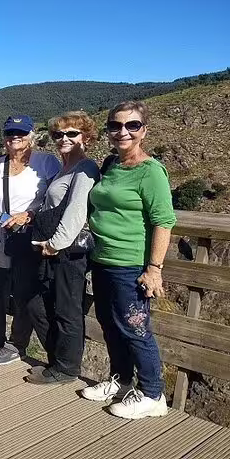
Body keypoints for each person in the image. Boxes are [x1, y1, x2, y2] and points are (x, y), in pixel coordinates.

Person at [81, 101, 175, 420]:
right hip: (103, 259)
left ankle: (153, 394)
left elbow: (163, 220)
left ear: (143, 130)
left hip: (131, 265)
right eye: (116, 126)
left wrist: (154, 269)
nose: (123, 131)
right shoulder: (112, 164)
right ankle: (121, 381)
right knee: (111, 325)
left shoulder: (151, 171)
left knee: (136, 329)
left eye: (132, 125)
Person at [0, 115, 61, 365]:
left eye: (21, 133)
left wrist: (28, 215)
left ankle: (17, 344)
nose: (14, 138)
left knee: (22, 294)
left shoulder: (47, 163)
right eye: (10, 133)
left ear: (31, 135)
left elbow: (57, 201)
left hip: (29, 239)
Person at [23, 112, 100, 385]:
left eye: (72, 134)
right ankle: (56, 360)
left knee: (67, 310)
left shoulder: (85, 168)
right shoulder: (63, 168)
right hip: (51, 248)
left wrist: (55, 244)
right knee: (38, 305)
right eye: (58, 134)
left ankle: (66, 369)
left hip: (67, 252)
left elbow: (77, 210)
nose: (64, 139)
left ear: (86, 138)